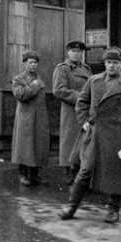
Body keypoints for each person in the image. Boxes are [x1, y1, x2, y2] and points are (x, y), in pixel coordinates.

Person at [59, 47, 121, 224]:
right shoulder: (94, 80)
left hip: (117, 136)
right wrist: (84, 121)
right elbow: (82, 102)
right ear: (105, 64)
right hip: (95, 135)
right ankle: (72, 206)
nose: (112, 66)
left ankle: (113, 209)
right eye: (109, 62)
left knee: (116, 173)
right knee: (85, 171)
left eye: (116, 63)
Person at [52, 40, 92, 184]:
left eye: (80, 52)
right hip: (71, 112)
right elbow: (58, 90)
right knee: (71, 143)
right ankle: (71, 176)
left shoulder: (86, 69)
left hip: (86, 112)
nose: (77, 54)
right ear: (68, 52)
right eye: (74, 51)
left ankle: (82, 175)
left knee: (85, 142)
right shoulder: (62, 69)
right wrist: (82, 97)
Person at [11, 51, 49, 186]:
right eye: (30, 62)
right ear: (24, 64)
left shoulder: (39, 77)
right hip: (25, 118)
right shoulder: (18, 79)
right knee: (24, 147)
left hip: (38, 117)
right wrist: (34, 85)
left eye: (35, 63)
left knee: (37, 146)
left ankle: (34, 175)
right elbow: (21, 95)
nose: (33, 65)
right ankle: (23, 175)